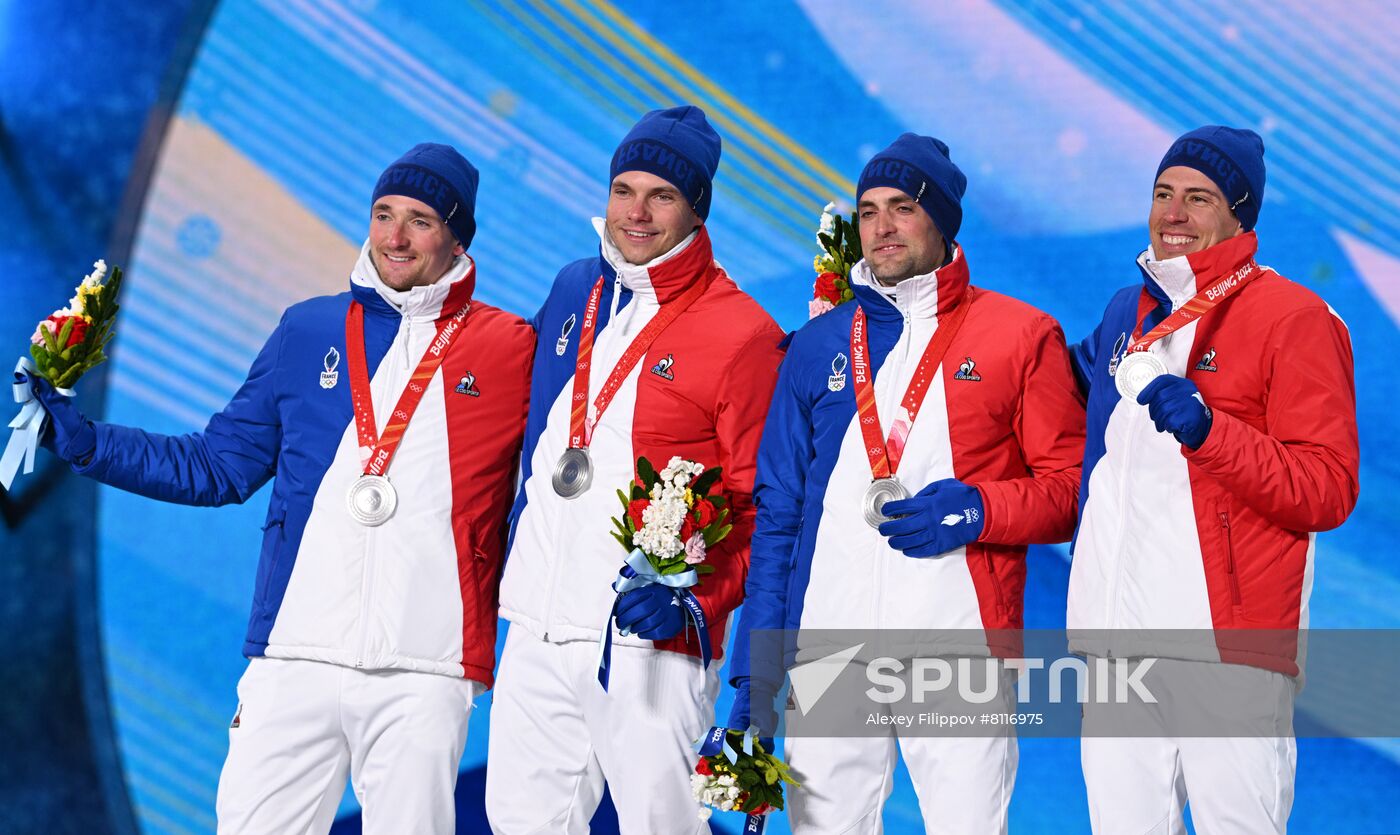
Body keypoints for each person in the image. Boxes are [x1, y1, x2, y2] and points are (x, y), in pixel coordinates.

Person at [22, 144, 533, 834]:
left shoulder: (511, 348)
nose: (395, 236)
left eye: (420, 219)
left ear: (457, 236)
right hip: (296, 649)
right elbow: (217, 466)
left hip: (426, 663)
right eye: (383, 213)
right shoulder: (309, 329)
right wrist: (84, 442)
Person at [727, 133, 1087, 833]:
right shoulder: (819, 345)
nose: (882, 227)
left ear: (943, 220)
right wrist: (754, 679)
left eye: (903, 207)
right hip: (828, 645)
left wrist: (980, 508)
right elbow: (778, 517)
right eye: (868, 211)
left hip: (957, 647)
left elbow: (1072, 490)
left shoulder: (1021, 334)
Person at [485, 105, 785, 833]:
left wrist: (696, 602)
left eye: (662, 196)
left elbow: (771, 512)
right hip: (536, 626)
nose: (637, 213)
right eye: (625, 189)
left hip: (652, 645)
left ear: (698, 208)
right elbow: (533, 441)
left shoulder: (746, 334)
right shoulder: (571, 291)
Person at [1067, 126, 1360, 834]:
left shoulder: (1294, 317)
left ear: (1239, 215)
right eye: (1163, 193)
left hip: (1227, 651)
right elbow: (1042, 383)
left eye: (1198, 198)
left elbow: (1326, 488)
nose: (1173, 213)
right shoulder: (1127, 312)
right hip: (1113, 647)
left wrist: (1209, 431)